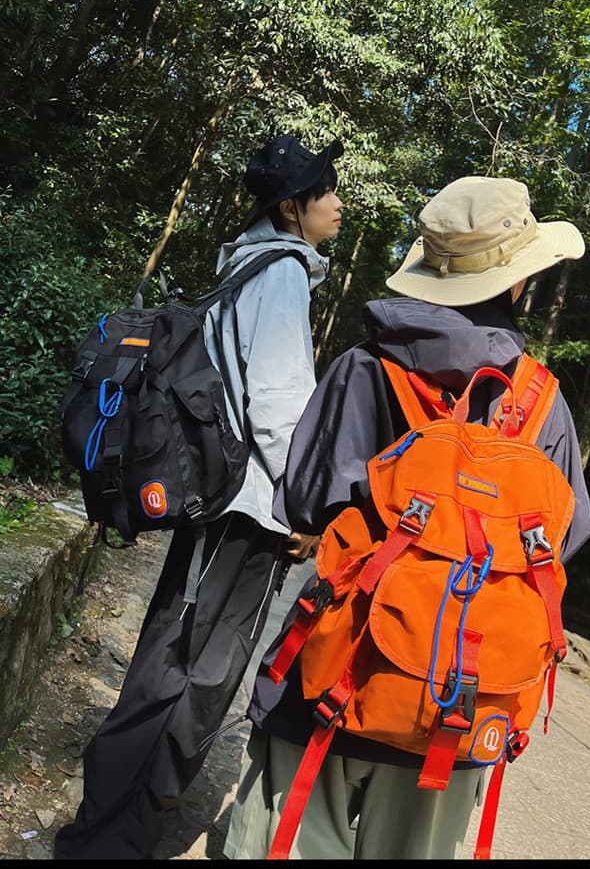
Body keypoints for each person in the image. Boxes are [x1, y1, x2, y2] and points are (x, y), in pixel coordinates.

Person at [223, 174, 590, 861]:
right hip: (460, 702)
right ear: (516, 282)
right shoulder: (544, 405)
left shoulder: (365, 367)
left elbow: (301, 502)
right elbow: (562, 541)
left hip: (331, 678)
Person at [53, 132, 345, 860]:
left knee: (186, 658)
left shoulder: (251, 265)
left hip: (229, 501)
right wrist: (309, 507)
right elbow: (280, 407)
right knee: (185, 664)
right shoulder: (277, 275)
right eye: (328, 192)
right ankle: (106, 834)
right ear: (292, 206)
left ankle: (130, 819)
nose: (339, 204)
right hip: (246, 507)